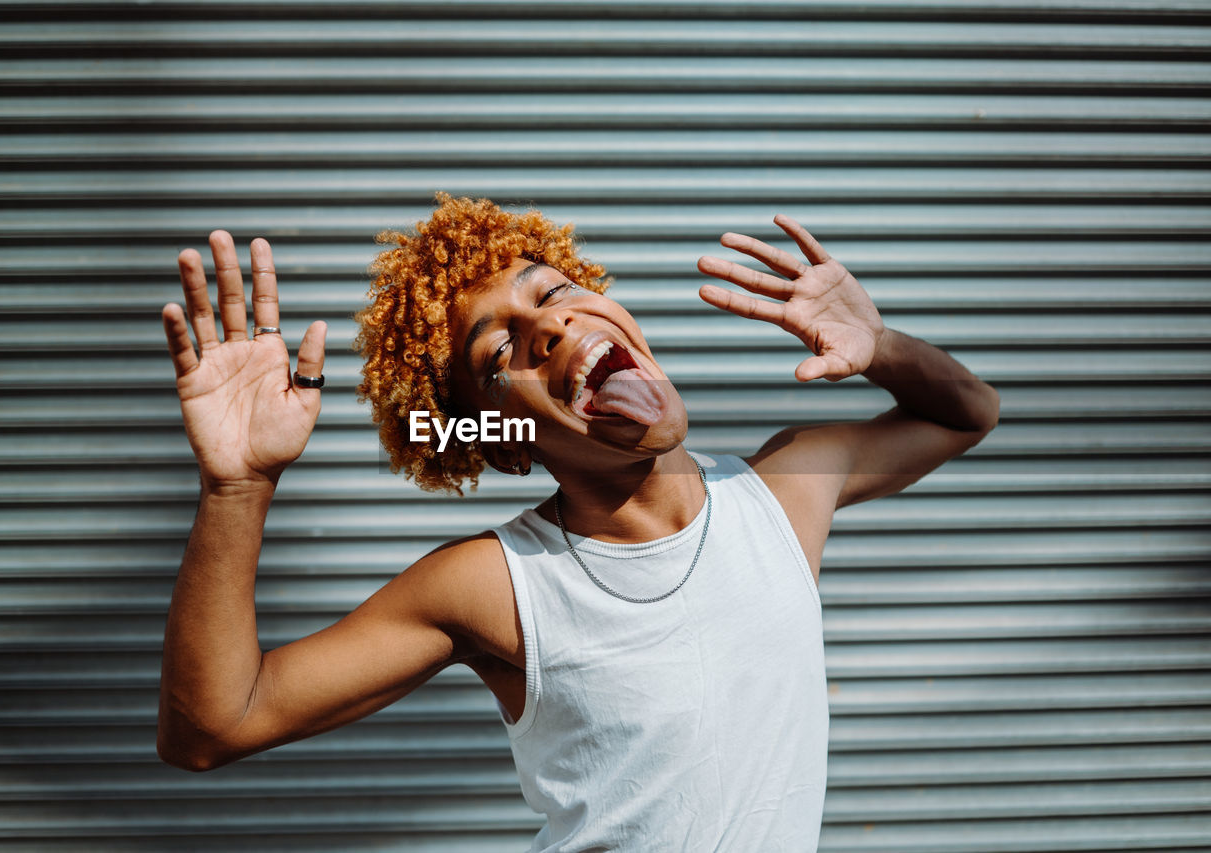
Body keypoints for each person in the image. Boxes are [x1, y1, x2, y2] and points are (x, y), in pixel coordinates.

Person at [156, 194, 1000, 851]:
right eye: (500, 354)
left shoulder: (784, 493)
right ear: (508, 440)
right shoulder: (497, 583)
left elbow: (970, 412)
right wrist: (240, 488)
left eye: (554, 292)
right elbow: (213, 724)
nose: (551, 326)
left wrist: (880, 344)